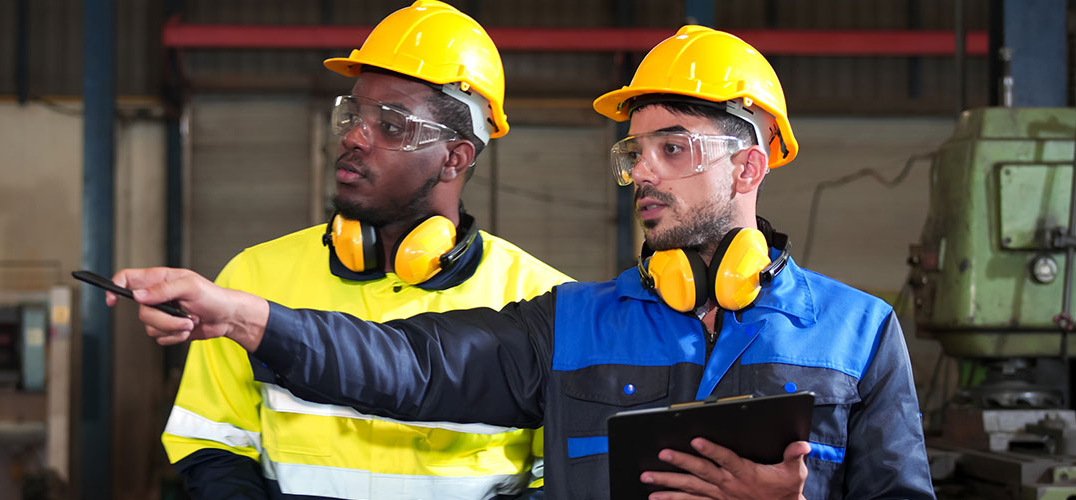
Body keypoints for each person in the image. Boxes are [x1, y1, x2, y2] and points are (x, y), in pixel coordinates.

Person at [116, 26, 934, 499]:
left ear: (748, 167)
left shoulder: (861, 332)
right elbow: (405, 363)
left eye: (671, 148)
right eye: (633, 152)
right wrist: (242, 315)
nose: (639, 172)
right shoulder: (568, 321)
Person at [155, 1, 571, 498]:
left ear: (454, 158)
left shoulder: (542, 303)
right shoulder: (252, 278)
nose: (354, 136)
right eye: (353, 114)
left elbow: (562, 475)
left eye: (391, 125)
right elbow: (213, 445)